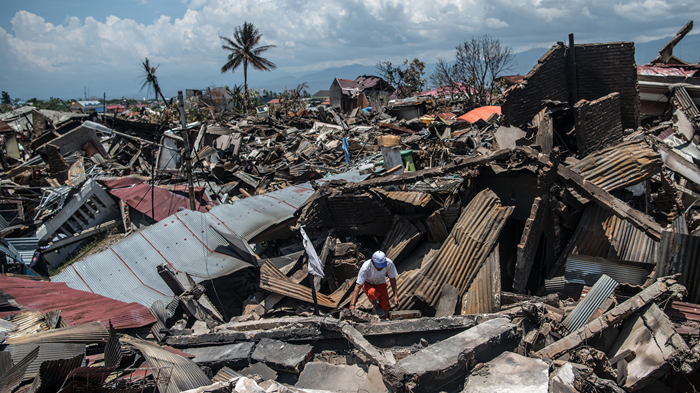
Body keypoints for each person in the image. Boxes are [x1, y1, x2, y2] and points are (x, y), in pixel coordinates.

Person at [349, 251, 399, 318]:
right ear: (373, 262)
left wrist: (395, 296)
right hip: (368, 283)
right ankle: (375, 305)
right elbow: (358, 285)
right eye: (378, 266)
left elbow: (392, 279)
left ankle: (383, 322)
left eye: (382, 266)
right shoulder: (366, 267)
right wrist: (352, 304)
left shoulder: (389, 263)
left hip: (381, 283)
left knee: (385, 306)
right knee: (372, 293)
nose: (380, 268)